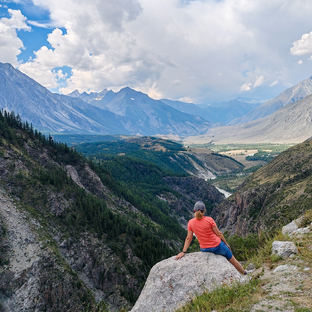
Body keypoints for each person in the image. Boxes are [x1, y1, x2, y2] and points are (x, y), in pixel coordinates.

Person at [175, 201, 247, 275]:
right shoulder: (209, 219)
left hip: (204, 249)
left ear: (194, 210)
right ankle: (244, 273)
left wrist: (183, 252)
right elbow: (219, 234)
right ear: (204, 210)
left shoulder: (191, 222)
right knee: (232, 259)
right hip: (217, 246)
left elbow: (188, 238)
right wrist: (226, 244)